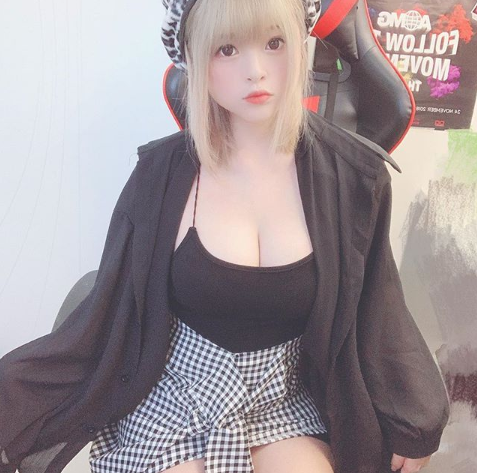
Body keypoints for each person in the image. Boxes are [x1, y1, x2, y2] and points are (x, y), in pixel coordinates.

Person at [0, 0, 449, 472]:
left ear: (300, 44)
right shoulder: (158, 178)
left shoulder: (354, 178)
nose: (256, 70)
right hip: (175, 394)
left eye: (274, 42)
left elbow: (378, 306)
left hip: (281, 398)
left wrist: (413, 420)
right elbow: (106, 313)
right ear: (194, 58)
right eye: (227, 49)